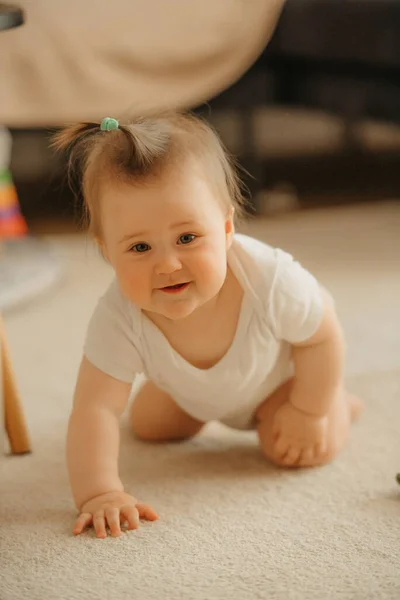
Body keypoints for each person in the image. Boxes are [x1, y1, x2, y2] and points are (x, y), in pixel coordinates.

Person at [53, 113, 363, 540]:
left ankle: (339, 406)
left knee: (296, 449)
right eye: (140, 247)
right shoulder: (118, 316)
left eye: (187, 238)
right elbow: (95, 409)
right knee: (147, 424)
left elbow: (323, 334)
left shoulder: (268, 279)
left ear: (226, 227)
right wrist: (98, 493)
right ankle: (189, 390)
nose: (167, 264)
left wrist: (311, 408)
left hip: (278, 385)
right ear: (107, 251)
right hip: (195, 396)